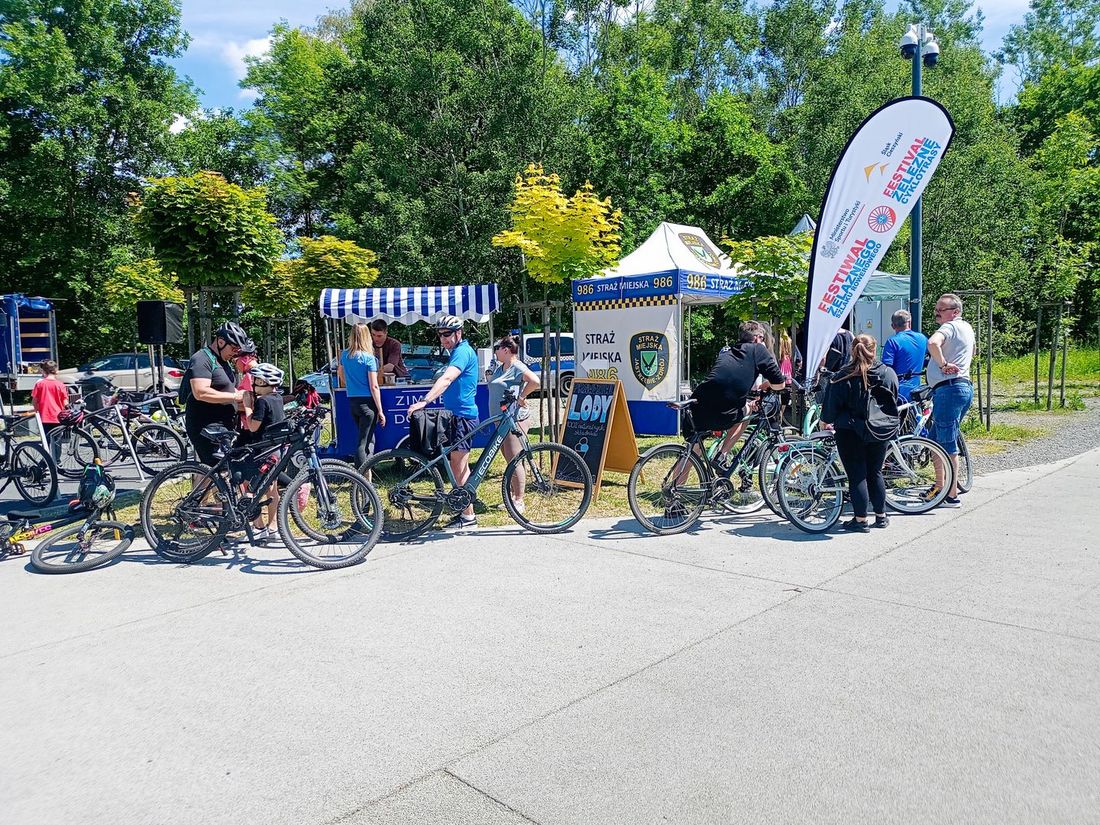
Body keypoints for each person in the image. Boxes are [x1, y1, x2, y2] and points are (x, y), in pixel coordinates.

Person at [407, 315, 480, 529]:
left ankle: (468, 517)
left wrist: (425, 401)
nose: (443, 339)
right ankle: (466, 513)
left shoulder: (463, 352)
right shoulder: (456, 352)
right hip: (456, 415)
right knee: (458, 466)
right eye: (440, 335)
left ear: (459, 333)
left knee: (459, 466)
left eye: (447, 334)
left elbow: (447, 379)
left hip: (464, 416)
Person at [821, 334, 899, 532]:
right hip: (879, 429)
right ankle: (881, 517)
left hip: (849, 430)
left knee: (857, 476)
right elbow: (893, 399)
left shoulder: (841, 376)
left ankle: (861, 519)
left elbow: (830, 411)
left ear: (851, 350)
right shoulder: (887, 373)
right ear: (875, 350)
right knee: (875, 472)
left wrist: (825, 421)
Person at [688, 321, 787, 461]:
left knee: (692, 452)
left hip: (699, 402)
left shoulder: (728, 351)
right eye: (763, 339)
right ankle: (722, 455)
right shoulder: (758, 349)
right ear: (757, 338)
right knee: (747, 410)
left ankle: (674, 483)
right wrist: (768, 384)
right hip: (723, 409)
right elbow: (780, 384)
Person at [925, 293, 975, 507]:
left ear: (955, 312)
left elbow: (932, 343)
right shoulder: (967, 328)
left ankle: (951, 495)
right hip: (962, 387)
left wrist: (943, 364)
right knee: (935, 441)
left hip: (949, 388)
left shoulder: (950, 327)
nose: (937, 312)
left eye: (941, 309)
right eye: (936, 308)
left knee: (946, 443)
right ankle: (940, 485)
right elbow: (973, 351)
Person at [487, 336, 540, 513]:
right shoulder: (501, 367)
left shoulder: (517, 366)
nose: (494, 351)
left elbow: (535, 381)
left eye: (497, 348)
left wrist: (521, 397)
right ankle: (512, 495)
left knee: (514, 459)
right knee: (509, 459)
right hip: (500, 419)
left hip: (514, 419)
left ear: (506, 350)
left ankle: (519, 500)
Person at [185, 321, 248, 466]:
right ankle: (201, 488)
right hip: (206, 426)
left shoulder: (223, 362)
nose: (235, 353)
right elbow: (200, 392)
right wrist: (235, 396)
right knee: (219, 468)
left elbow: (227, 391)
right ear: (220, 341)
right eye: (233, 348)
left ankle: (202, 487)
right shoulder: (202, 359)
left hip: (224, 425)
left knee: (224, 470)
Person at [238, 363, 287, 543]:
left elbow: (253, 426)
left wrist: (248, 405)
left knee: (249, 486)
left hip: (261, 452)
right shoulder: (277, 399)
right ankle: (273, 526)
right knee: (272, 490)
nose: (254, 384)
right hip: (276, 451)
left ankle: (257, 525)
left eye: (257, 380)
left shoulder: (263, 402)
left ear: (265, 382)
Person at [338, 323, 386, 467]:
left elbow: (340, 372)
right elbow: (374, 386)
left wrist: (349, 384)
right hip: (368, 403)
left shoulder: (345, 355)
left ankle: (367, 475)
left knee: (368, 439)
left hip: (353, 401)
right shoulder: (369, 358)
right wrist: (381, 410)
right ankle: (361, 477)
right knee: (363, 443)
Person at [881, 310, 928, 400]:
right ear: (909, 322)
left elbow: (887, 369)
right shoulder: (922, 338)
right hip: (917, 390)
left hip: (899, 392)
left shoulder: (892, 341)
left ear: (893, 326)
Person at [31, 360, 69, 438]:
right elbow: (65, 403)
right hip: (58, 417)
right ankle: (57, 450)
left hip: (44, 417)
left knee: (46, 441)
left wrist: (36, 411)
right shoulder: (60, 384)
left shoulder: (39, 384)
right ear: (56, 371)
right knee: (57, 442)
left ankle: (47, 450)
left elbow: (34, 401)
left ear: (43, 370)